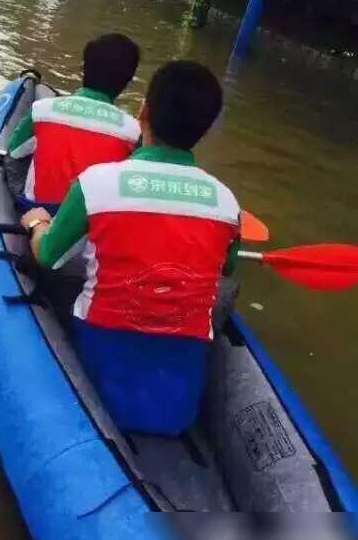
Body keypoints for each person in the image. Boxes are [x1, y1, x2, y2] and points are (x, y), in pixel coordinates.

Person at [20, 61, 240, 436]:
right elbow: (226, 272)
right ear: (203, 131)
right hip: (176, 404)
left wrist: (38, 223)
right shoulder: (227, 203)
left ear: (144, 114)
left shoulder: (95, 183)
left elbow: (50, 257)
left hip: (100, 373)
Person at [7, 33, 140, 207]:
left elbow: (14, 151)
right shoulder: (134, 132)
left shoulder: (42, 110)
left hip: (38, 211)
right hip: (89, 223)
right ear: (127, 82)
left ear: (83, 68)